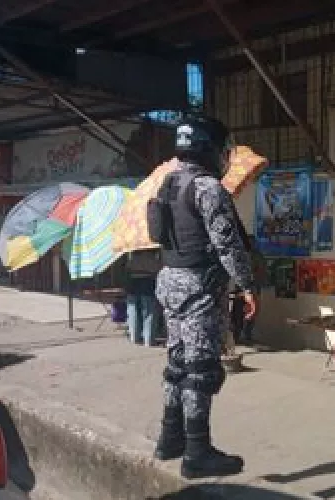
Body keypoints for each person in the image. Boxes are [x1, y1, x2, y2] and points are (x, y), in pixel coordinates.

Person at [151, 115, 258, 479]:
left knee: (177, 363)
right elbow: (227, 244)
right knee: (200, 370)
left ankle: (170, 438)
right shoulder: (208, 188)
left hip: (170, 281)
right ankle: (197, 452)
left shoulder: (168, 183)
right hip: (199, 288)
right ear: (208, 148)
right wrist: (247, 285)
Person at [125, 249, 162, 347]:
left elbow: (127, 270)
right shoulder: (152, 258)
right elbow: (159, 270)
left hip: (132, 283)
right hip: (148, 283)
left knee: (133, 311)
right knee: (149, 312)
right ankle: (148, 340)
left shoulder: (132, 257)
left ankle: (134, 337)